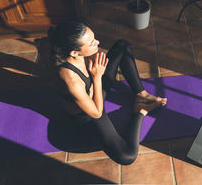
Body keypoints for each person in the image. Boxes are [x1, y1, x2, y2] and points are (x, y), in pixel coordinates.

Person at [47, 21, 167, 165]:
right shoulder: (71, 81)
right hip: (88, 115)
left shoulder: (72, 54)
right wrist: (97, 76)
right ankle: (140, 111)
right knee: (127, 156)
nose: (98, 42)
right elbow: (97, 112)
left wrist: (96, 75)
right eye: (92, 43)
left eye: (94, 38)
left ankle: (141, 94)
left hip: (94, 91)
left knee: (122, 45)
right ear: (74, 52)